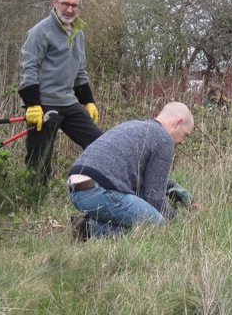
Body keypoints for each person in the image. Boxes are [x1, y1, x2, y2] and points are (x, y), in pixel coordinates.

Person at [66, 102, 200, 240]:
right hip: (98, 192)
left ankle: (86, 225)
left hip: (75, 189)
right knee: (157, 226)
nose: (183, 141)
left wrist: (172, 189)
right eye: (185, 135)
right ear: (177, 122)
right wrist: (176, 222)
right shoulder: (164, 139)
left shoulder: (134, 126)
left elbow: (147, 183)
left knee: (142, 213)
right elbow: (154, 197)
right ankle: (89, 229)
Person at [18, 0, 104, 182]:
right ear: (55, 2)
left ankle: (99, 186)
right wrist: (32, 104)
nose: (70, 10)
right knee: (39, 161)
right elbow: (29, 67)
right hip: (44, 105)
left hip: (69, 102)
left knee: (101, 144)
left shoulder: (78, 34)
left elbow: (80, 71)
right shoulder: (41, 31)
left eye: (75, 6)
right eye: (65, 4)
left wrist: (88, 101)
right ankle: (34, 196)